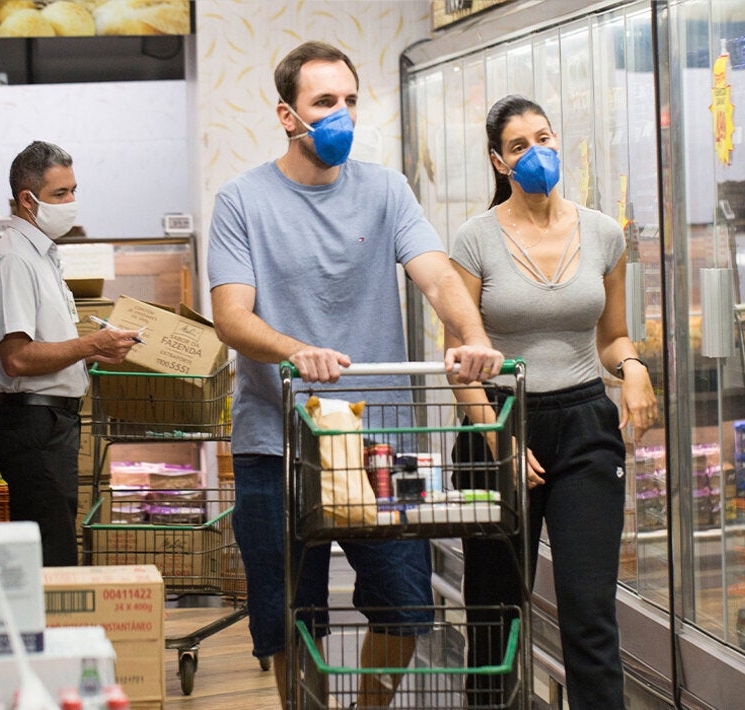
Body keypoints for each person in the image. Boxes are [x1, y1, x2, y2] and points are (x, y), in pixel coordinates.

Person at [206, 41, 503, 706]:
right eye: (324, 104)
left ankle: (368, 706)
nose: (341, 115)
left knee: (405, 607)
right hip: (278, 442)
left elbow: (435, 274)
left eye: (348, 102)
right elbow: (231, 316)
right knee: (291, 616)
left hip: (383, 444)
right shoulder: (241, 201)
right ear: (288, 115)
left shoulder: (386, 190)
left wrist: (474, 335)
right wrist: (294, 350)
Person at [446, 94, 659, 710]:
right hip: (497, 424)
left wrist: (635, 368)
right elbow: (459, 361)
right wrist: (499, 443)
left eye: (544, 138)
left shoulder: (602, 233)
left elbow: (613, 336)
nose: (537, 153)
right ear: (499, 160)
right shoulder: (474, 239)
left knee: (590, 616)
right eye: (519, 146)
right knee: (494, 614)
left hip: (585, 425)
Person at [0, 141, 140, 567]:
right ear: (27, 200)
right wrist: (90, 345)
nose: (71, 203)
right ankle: (53, 633)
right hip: (33, 423)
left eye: (73, 190)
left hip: (51, 420)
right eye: (60, 194)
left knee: (56, 538)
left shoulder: (41, 255)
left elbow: (41, 346)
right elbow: (17, 358)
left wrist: (93, 352)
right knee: (53, 552)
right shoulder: (15, 260)